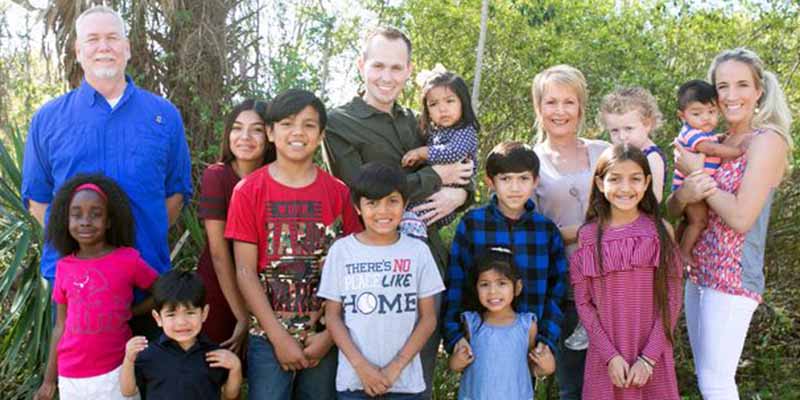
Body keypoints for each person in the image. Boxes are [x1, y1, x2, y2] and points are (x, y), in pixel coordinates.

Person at [21, 5, 192, 338]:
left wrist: (136, 239)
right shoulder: (48, 119)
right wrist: (86, 253)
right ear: (78, 51)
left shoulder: (163, 116)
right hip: (78, 294)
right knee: (86, 388)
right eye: (93, 39)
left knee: (154, 384)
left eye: (113, 38)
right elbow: (38, 201)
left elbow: (175, 196)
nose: (104, 47)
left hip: (148, 289)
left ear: (127, 48)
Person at [323, 26, 473, 398]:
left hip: (424, 265)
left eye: (395, 67)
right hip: (369, 270)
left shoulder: (418, 121)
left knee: (415, 381)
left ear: (409, 70)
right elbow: (360, 187)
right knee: (364, 381)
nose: (386, 77)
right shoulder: (339, 122)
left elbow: (461, 162)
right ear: (361, 66)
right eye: (378, 66)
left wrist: (463, 194)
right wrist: (435, 176)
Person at [668, 48, 793, 399]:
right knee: (706, 376)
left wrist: (697, 175)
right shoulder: (715, 142)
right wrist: (685, 190)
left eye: (742, 85)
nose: (731, 95)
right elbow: (675, 209)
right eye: (723, 86)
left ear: (758, 91)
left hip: (733, 276)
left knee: (716, 381)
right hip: (700, 271)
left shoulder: (767, 141)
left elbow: (739, 218)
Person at [225, 89, 362, 400]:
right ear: (271, 132)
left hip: (323, 335)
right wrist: (278, 337)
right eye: (287, 123)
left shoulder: (338, 193)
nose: (298, 132)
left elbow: (350, 269)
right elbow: (245, 272)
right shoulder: (249, 192)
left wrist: (329, 335)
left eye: (309, 125)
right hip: (268, 335)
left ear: (321, 134)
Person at [318, 162, 444, 399]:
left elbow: (428, 319)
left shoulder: (417, 252)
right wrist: (362, 368)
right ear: (357, 207)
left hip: (405, 383)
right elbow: (333, 316)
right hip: (355, 382)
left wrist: (396, 366)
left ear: (405, 204)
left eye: (392, 201)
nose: (383, 211)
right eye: (372, 203)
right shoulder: (342, 251)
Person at [442, 141, 564, 386]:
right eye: (506, 179)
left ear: (535, 181)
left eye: (523, 179)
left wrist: (546, 340)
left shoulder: (545, 230)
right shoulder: (473, 224)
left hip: (527, 343)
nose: (515, 188)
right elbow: (455, 284)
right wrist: (456, 337)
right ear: (491, 182)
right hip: (479, 342)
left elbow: (557, 290)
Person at [570, 145, 682, 400]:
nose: (625, 188)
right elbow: (584, 304)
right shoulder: (588, 236)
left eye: (635, 179)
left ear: (647, 183)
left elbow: (672, 300)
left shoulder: (660, 232)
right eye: (615, 179)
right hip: (606, 359)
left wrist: (649, 358)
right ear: (600, 183)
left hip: (652, 357)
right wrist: (610, 356)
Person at [34, 174, 159, 400]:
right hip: (72, 376)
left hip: (117, 371)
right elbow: (60, 326)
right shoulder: (64, 267)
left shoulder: (127, 260)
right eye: (76, 214)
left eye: (96, 214)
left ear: (109, 220)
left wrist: (134, 312)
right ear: (66, 220)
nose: (85, 221)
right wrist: (49, 379)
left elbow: (161, 290)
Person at [530, 64, 610, 400]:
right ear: (539, 107)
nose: (560, 111)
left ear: (580, 106)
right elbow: (532, 232)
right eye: (551, 102)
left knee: (617, 380)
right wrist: (583, 231)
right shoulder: (531, 161)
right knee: (574, 387)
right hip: (566, 289)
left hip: (613, 281)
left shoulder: (603, 150)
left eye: (569, 102)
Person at [196, 99, 274, 351]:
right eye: (237, 128)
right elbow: (219, 254)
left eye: (257, 129)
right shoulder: (216, 175)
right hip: (220, 290)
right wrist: (242, 316)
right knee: (219, 369)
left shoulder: (277, 179)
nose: (245, 137)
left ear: (270, 135)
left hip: (266, 290)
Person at [449, 247, 555, 400]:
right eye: (485, 284)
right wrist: (456, 361)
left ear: (517, 287)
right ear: (476, 287)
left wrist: (547, 366)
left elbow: (529, 368)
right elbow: (456, 366)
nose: (493, 291)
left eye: (502, 283)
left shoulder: (527, 325)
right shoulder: (472, 323)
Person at [120, 270, 243, 400]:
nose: (181, 322)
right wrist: (129, 359)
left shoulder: (215, 356)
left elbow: (229, 396)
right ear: (158, 318)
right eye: (171, 315)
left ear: (204, 313)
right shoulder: (148, 354)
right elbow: (128, 391)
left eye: (190, 313)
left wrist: (235, 367)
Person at [399, 67, 480, 239]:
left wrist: (422, 153)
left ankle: (412, 237)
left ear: (462, 103)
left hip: (446, 195)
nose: (442, 109)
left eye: (449, 101)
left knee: (415, 219)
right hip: (434, 190)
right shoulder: (436, 131)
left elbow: (453, 153)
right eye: (434, 104)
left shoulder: (465, 130)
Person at [671, 80, 742, 263]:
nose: (706, 118)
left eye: (711, 112)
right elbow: (711, 149)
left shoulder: (702, 132)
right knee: (699, 222)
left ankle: (674, 248)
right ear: (682, 116)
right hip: (691, 188)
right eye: (697, 113)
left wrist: (720, 138)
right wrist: (738, 152)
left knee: (689, 222)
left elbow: (712, 142)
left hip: (697, 187)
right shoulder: (690, 133)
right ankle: (684, 252)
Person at [597, 87, 667, 202]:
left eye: (628, 128)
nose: (622, 137)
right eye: (615, 130)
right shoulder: (620, 153)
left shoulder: (651, 157)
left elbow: (655, 198)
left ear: (647, 124)